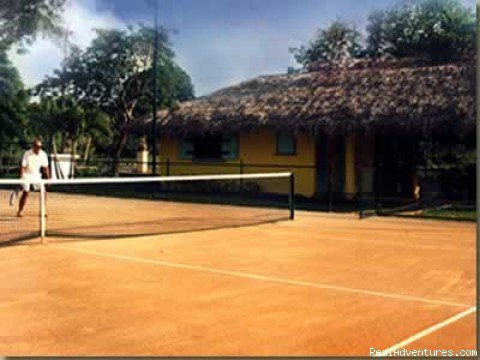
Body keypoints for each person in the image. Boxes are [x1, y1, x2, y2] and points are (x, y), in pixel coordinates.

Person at [9, 138, 50, 217]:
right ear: (33, 146)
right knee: (26, 192)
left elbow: (45, 168)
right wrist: (21, 177)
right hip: (26, 175)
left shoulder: (43, 154)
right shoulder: (27, 154)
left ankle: (43, 210)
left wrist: (48, 179)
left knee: (43, 191)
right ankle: (20, 211)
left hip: (37, 176)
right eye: (37, 147)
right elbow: (23, 167)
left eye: (40, 147)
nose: (38, 149)